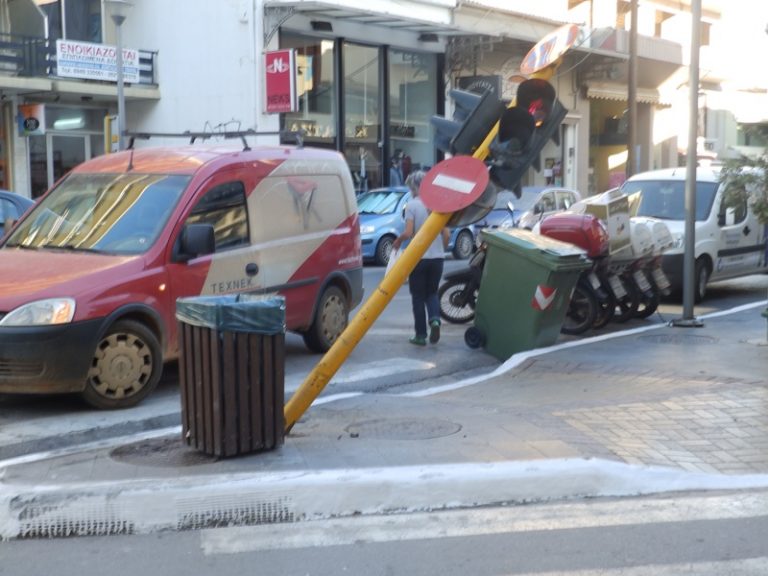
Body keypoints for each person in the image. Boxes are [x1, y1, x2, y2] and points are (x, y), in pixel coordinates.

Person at [392, 170, 450, 346]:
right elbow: (446, 234)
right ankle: (435, 320)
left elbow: (409, 233)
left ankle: (420, 335)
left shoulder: (412, 206)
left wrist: (398, 240)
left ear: (414, 187)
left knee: (417, 296)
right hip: (437, 259)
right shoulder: (437, 206)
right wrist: (441, 248)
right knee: (432, 292)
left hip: (419, 258)